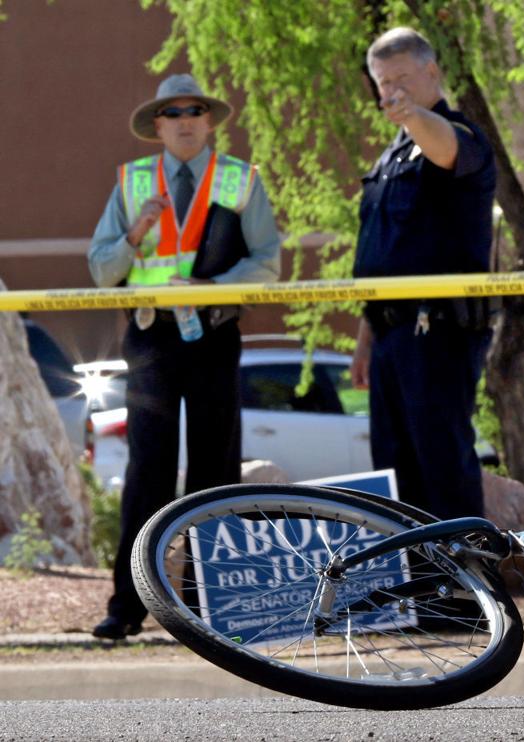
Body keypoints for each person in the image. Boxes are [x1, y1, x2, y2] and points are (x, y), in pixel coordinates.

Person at [88, 74, 282, 640]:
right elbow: (101, 271)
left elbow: (267, 262)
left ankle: (212, 603)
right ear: (157, 126)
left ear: (211, 119)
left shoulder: (240, 180)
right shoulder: (132, 182)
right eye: (173, 113)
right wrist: (136, 231)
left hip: (214, 336)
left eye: (196, 110)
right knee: (146, 471)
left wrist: (211, 284)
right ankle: (126, 607)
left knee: (215, 471)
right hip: (151, 340)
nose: (186, 120)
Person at [350, 27, 497, 521]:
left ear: (431, 71)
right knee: (395, 474)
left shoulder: (458, 135)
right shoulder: (391, 157)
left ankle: (464, 593)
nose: (390, 90)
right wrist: (366, 336)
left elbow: (446, 149)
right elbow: (384, 254)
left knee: (442, 467)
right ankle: (419, 594)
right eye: (382, 81)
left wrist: (414, 116)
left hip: (438, 332)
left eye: (401, 78)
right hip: (391, 332)